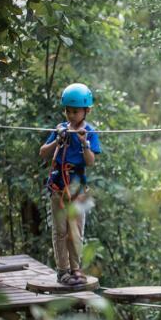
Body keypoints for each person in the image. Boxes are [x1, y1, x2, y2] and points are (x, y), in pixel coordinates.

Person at [39, 83, 101, 286]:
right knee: (60, 231)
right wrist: (57, 140)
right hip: (58, 187)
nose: (70, 115)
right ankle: (63, 271)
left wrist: (84, 142)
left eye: (75, 111)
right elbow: (43, 152)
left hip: (77, 188)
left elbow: (90, 161)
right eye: (67, 111)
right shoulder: (61, 130)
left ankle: (76, 270)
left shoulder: (89, 132)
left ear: (86, 111)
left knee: (76, 230)